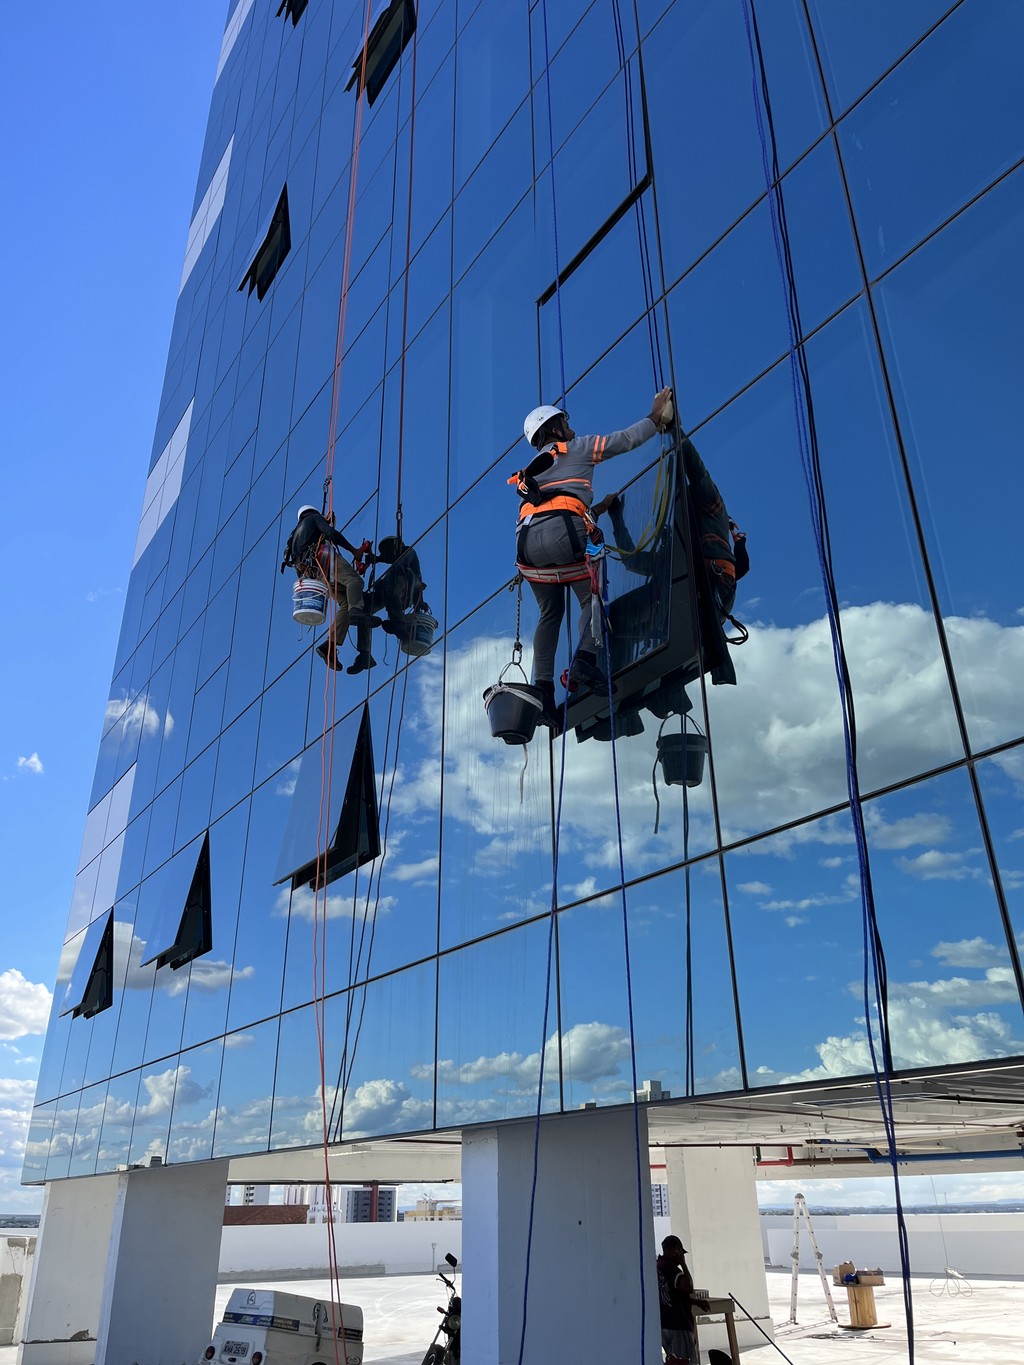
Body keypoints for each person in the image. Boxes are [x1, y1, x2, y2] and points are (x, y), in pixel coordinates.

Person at [514, 388, 674, 728]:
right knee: (593, 594)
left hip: (528, 550)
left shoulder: (528, 472)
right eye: (565, 423)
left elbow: (556, 507)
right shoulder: (578, 447)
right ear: (554, 429)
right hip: (564, 535)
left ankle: (542, 689)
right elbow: (625, 440)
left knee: (549, 613)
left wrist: (598, 508)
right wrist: (654, 418)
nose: (570, 427)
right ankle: (585, 659)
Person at [281, 504, 380, 672]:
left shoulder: (293, 538)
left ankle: (330, 645)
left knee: (345, 603)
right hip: (323, 558)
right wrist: (354, 551)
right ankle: (357, 612)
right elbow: (331, 534)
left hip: (316, 575)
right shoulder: (313, 518)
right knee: (355, 581)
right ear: (311, 512)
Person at [657, 1234, 697, 1365]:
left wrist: (695, 1302)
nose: (681, 1256)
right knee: (683, 1361)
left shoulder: (658, 1266)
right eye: (679, 1252)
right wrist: (684, 1265)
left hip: (665, 1323)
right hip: (678, 1325)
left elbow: (670, 1296)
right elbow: (688, 1287)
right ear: (672, 1250)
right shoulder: (671, 1269)